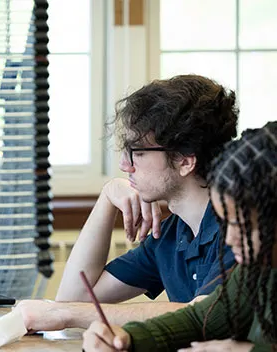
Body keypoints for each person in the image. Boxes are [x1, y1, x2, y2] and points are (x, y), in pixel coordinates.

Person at [16, 75, 238, 331]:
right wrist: (107, 198)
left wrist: (65, 314)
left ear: (185, 161)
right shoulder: (172, 234)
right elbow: (76, 297)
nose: (124, 165)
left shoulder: (241, 228)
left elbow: (202, 314)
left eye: (138, 152)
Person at [82, 122, 277, 352]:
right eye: (225, 222)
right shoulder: (261, 269)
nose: (230, 238)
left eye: (240, 225)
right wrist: (126, 338)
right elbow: (200, 319)